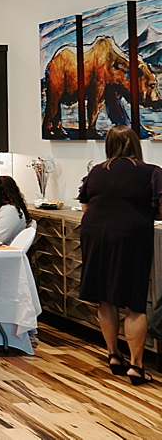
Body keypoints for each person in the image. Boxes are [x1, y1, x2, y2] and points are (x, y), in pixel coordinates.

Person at [79, 125, 162, 385]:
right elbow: (160, 210)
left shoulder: (96, 171)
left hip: (94, 233)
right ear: (136, 144)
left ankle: (114, 354)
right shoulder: (151, 172)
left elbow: (85, 204)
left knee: (106, 297)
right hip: (130, 236)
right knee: (134, 301)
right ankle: (136, 366)